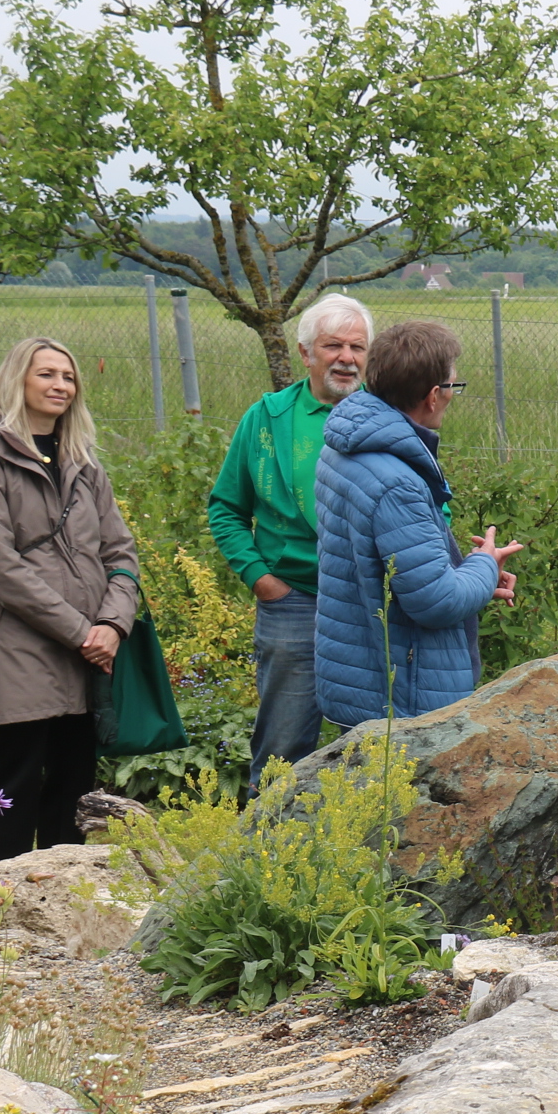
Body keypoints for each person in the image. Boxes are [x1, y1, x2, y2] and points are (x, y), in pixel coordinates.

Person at [0, 339, 142, 861]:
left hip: (89, 657)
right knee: (10, 794)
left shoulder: (84, 464)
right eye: (47, 374)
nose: (60, 385)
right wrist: (81, 632)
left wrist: (113, 624)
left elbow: (120, 552)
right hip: (19, 652)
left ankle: (60, 902)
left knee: (72, 795)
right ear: (18, 381)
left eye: (68, 376)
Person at [313, 319, 521, 728]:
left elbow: (386, 568)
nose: (452, 395)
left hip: (357, 675)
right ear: (432, 395)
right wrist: (483, 563)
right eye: (453, 385)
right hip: (400, 696)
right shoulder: (397, 483)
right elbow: (436, 600)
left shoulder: (342, 449)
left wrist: (474, 576)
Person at [209, 292, 370, 792]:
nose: (346, 358)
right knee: (282, 746)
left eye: (358, 347)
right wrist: (261, 579)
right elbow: (226, 508)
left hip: (371, 604)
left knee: (373, 746)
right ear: (305, 353)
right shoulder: (267, 419)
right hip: (293, 601)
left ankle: (362, 837)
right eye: (333, 346)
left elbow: (428, 506)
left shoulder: (388, 417)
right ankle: (267, 835)